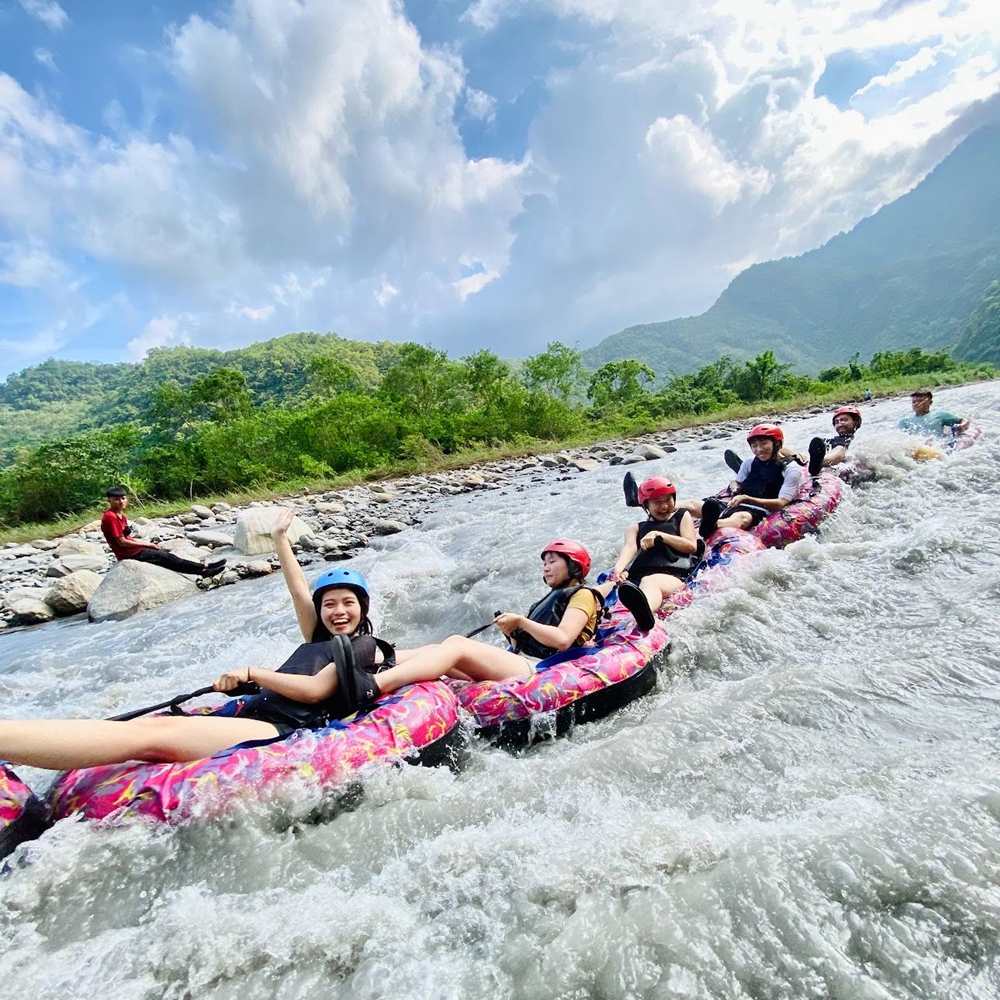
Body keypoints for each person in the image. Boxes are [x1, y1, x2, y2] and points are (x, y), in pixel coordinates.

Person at [609, 477, 700, 632]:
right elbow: (629, 548)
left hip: (672, 576)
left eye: (668, 500)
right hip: (637, 578)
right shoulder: (635, 528)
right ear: (646, 505)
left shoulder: (682, 516)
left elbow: (691, 546)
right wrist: (618, 569)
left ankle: (644, 613)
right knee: (603, 589)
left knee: (650, 581)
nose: (664, 506)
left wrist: (660, 536)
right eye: (657, 502)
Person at [682, 424, 802, 539]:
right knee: (692, 503)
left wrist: (747, 499)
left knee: (740, 518)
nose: (758, 449)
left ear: (777, 444)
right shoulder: (749, 462)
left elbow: (781, 503)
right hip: (735, 503)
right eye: (754, 446)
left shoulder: (791, 469)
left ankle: (712, 525)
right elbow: (736, 482)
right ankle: (667, 513)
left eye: (763, 444)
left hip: (759, 510)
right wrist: (735, 489)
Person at [101, 486, 226, 578]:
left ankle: (204, 569)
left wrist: (145, 543)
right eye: (116, 499)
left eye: (123, 498)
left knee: (168, 558)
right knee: (168, 558)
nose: (121, 501)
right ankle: (204, 569)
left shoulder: (120, 515)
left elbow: (126, 537)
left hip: (134, 550)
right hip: (130, 554)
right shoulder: (110, 517)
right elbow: (122, 542)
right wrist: (147, 545)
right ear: (109, 500)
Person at [803, 406, 863, 470]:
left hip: (838, 455)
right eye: (837, 422)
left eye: (844, 420)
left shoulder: (857, 441)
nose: (840, 424)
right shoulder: (828, 440)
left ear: (855, 422)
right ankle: (806, 462)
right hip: (826, 459)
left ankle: (820, 462)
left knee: (840, 448)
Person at [898, 389, 969, 437]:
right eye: (914, 402)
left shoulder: (940, 415)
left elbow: (963, 420)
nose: (916, 404)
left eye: (920, 401)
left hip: (936, 447)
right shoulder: (904, 421)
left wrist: (962, 425)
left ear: (930, 402)